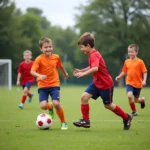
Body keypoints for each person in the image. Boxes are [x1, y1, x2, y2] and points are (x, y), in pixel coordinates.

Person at [73, 32, 132, 130]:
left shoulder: (94, 55)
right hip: (97, 82)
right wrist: (82, 70)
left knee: (108, 105)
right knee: (84, 97)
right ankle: (85, 121)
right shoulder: (93, 54)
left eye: (82, 47)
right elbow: (92, 66)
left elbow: (95, 68)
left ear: (88, 46)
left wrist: (83, 74)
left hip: (105, 84)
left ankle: (127, 117)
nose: (81, 49)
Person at [30, 37, 69, 130]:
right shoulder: (39, 59)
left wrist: (65, 73)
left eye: (50, 47)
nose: (48, 49)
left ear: (53, 47)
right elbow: (32, 71)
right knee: (43, 106)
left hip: (54, 84)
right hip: (42, 85)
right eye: (46, 47)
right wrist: (39, 75)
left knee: (56, 103)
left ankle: (63, 122)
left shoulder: (56, 57)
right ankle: (50, 107)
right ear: (41, 49)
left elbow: (60, 66)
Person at [115, 44, 147, 116]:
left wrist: (144, 80)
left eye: (132, 52)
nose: (130, 53)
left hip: (138, 84)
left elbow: (144, 72)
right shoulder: (127, 61)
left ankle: (142, 100)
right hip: (129, 82)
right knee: (129, 96)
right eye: (129, 52)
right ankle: (134, 111)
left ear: (136, 52)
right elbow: (124, 71)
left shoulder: (140, 62)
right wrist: (119, 77)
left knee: (136, 100)